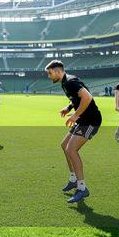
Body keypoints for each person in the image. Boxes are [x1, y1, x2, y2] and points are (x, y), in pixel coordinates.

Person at [45, 60, 102, 204]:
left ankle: (82, 188)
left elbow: (87, 97)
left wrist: (76, 114)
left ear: (58, 71)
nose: (49, 76)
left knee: (71, 149)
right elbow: (77, 98)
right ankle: (73, 179)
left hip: (91, 120)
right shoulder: (65, 82)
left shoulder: (70, 81)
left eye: (50, 73)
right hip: (82, 119)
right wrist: (69, 108)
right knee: (64, 146)